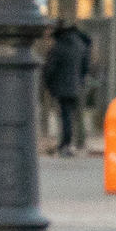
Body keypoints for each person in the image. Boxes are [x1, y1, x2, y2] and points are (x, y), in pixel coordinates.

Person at [42, 21, 92, 156]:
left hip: (61, 86)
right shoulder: (80, 45)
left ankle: (65, 143)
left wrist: (48, 83)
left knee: (65, 116)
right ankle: (79, 143)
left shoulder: (59, 47)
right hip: (77, 85)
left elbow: (50, 69)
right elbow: (85, 67)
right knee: (76, 115)